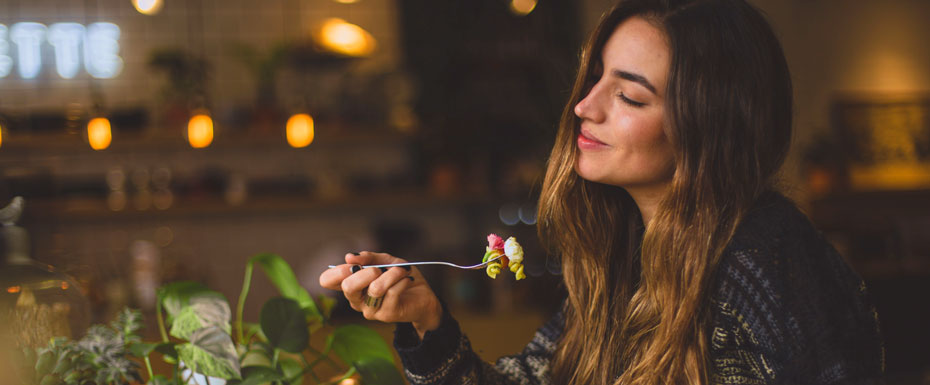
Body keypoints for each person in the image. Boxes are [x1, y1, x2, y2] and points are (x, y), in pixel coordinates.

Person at [319, 0, 886, 383]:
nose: (585, 107)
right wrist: (427, 320)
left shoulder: (758, 270)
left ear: (709, 128)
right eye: (596, 79)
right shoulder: (625, 255)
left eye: (631, 98)